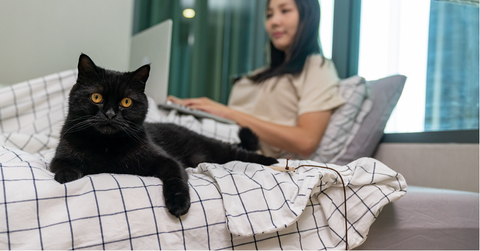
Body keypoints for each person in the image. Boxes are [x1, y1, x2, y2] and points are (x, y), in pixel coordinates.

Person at [167, 0, 345, 159]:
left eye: (285, 11)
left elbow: (306, 141)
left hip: (244, 149)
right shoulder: (260, 74)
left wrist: (227, 113)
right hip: (219, 136)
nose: (274, 21)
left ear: (308, 17)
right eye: (269, 14)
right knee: (161, 111)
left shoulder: (316, 66)